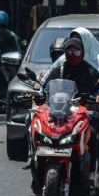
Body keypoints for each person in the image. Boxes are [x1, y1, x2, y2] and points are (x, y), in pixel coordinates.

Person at [40, 27, 99, 181]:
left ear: (85, 46)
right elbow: (46, 83)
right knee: (38, 122)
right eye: (69, 49)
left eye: (77, 49)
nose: (72, 53)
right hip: (62, 109)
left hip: (88, 109)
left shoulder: (94, 67)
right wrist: (39, 95)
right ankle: (36, 159)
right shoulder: (61, 66)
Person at [22, 37, 66, 170]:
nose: (59, 58)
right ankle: (32, 153)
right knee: (29, 118)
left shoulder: (74, 71)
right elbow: (38, 88)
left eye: (61, 54)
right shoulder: (45, 73)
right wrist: (33, 93)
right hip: (49, 107)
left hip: (70, 109)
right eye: (56, 54)